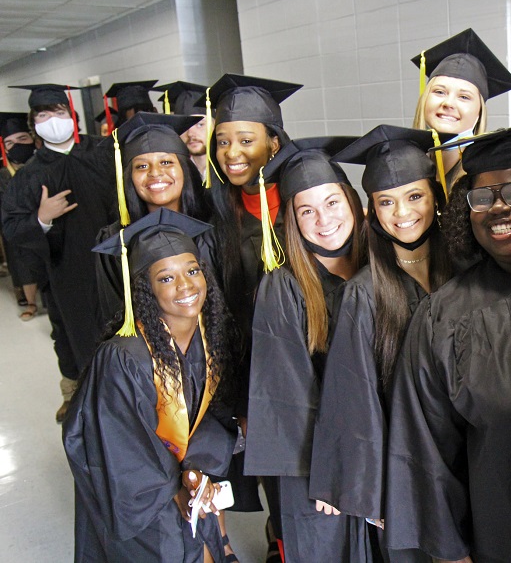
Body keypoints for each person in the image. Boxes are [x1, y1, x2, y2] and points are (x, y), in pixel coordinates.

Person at [385, 122, 511, 562]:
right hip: (506, 534)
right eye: (482, 197)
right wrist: (450, 552)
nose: (498, 208)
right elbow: (426, 450)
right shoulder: (444, 316)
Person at [307, 126, 453, 560]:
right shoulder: (364, 292)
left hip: (471, 457)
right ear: (370, 210)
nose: (401, 212)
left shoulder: (467, 271)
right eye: (386, 201)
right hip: (405, 469)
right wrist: (378, 489)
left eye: (415, 196)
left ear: (436, 198)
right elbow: (353, 395)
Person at [64, 208, 238, 562]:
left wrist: (194, 469)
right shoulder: (123, 358)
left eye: (192, 271)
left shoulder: (211, 338)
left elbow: (208, 417)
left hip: (182, 484)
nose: (186, 286)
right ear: (144, 289)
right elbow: (118, 448)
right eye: (166, 278)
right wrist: (175, 488)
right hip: (139, 498)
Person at [245, 136, 371, 561]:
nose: (323, 219)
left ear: (352, 202)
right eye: (306, 210)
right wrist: (332, 474)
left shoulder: (383, 272)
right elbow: (286, 397)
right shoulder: (283, 288)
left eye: (332, 202)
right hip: (316, 470)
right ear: (292, 222)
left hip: (378, 455)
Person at [203, 73, 302, 560]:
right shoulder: (221, 212)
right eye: (222, 141)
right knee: (271, 473)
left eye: (246, 139)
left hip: (308, 363)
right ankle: (280, 542)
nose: (232, 152)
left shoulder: (305, 202)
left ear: (274, 142)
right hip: (251, 370)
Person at [1, 83, 116, 423]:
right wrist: (41, 219)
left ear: (72, 116)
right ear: (34, 124)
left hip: (118, 267)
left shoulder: (105, 151)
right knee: (84, 346)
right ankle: (99, 410)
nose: (53, 119)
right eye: (43, 114)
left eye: (59, 111)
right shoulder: (31, 175)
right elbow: (11, 229)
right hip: (69, 277)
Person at [94, 112, 210, 332]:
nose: (155, 173)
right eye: (141, 166)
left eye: (166, 162)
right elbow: (114, 313)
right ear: (128, 177)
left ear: (184, 168)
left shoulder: (213, 226)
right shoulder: (116, 241)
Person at [411, 28, 511, 191]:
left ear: (479, 112)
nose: (448, 103)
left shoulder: (488, 174)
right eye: (439, 92)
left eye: (464, 97)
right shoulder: (407, 163)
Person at [0, 111, 39, 316]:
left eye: (22, 139)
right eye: (10, 142)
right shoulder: (4, 175)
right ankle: (31, 302)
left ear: (32, 139)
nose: (16, 145)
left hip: (44, 223)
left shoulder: (42, 166)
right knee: (21, 260)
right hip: (19, 225)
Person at [153, 81, 210, 176]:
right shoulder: (173, 173)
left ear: (214, 125)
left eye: (200, 125)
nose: (190, 133)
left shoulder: (230, 173)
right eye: (185, 126)